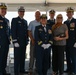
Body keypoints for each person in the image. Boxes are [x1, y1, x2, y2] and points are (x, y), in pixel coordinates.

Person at [11, 6, 28, 75]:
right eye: (20, 11)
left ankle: (22, 69)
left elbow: (25, 32)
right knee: (17, 58)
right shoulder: (15, 20)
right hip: (17, 42)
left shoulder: (25, 21)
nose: (21, 13)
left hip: (24, 42)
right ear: (18, 12)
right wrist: (15, 41)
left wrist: (27, 40)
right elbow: (13, 31)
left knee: (22, 57)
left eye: (23, 12)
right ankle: (16, 71)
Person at [28, 10, 41, 75]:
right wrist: (32, 39)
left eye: (38, 14)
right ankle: (30, 69)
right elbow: (29, 32)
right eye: (36, 14)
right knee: (32, 56)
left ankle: (36, 68)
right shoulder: (32, 23)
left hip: (40, 42)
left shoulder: (42, 23)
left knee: (38, 56)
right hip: (33, 41)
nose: (37, 15)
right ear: (35, 15)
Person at [64, 7, 76, 75]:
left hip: (73, 43)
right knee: (68, 57)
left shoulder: (75, 21)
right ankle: (69, 69)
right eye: (68, 12)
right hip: (66, 42)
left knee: (73, 57)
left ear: (73, 13)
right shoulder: (65, 22)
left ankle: (74, 70)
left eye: (70, 12)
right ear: (66, 14)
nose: (69, 14)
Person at [0, 3, 11, 75]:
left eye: (5, 9)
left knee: (4, 57)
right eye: (2, 9)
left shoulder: (7, 20)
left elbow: (8, 31)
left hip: (6, 42)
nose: (4, 10)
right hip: (0, 42)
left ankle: (3, 70)